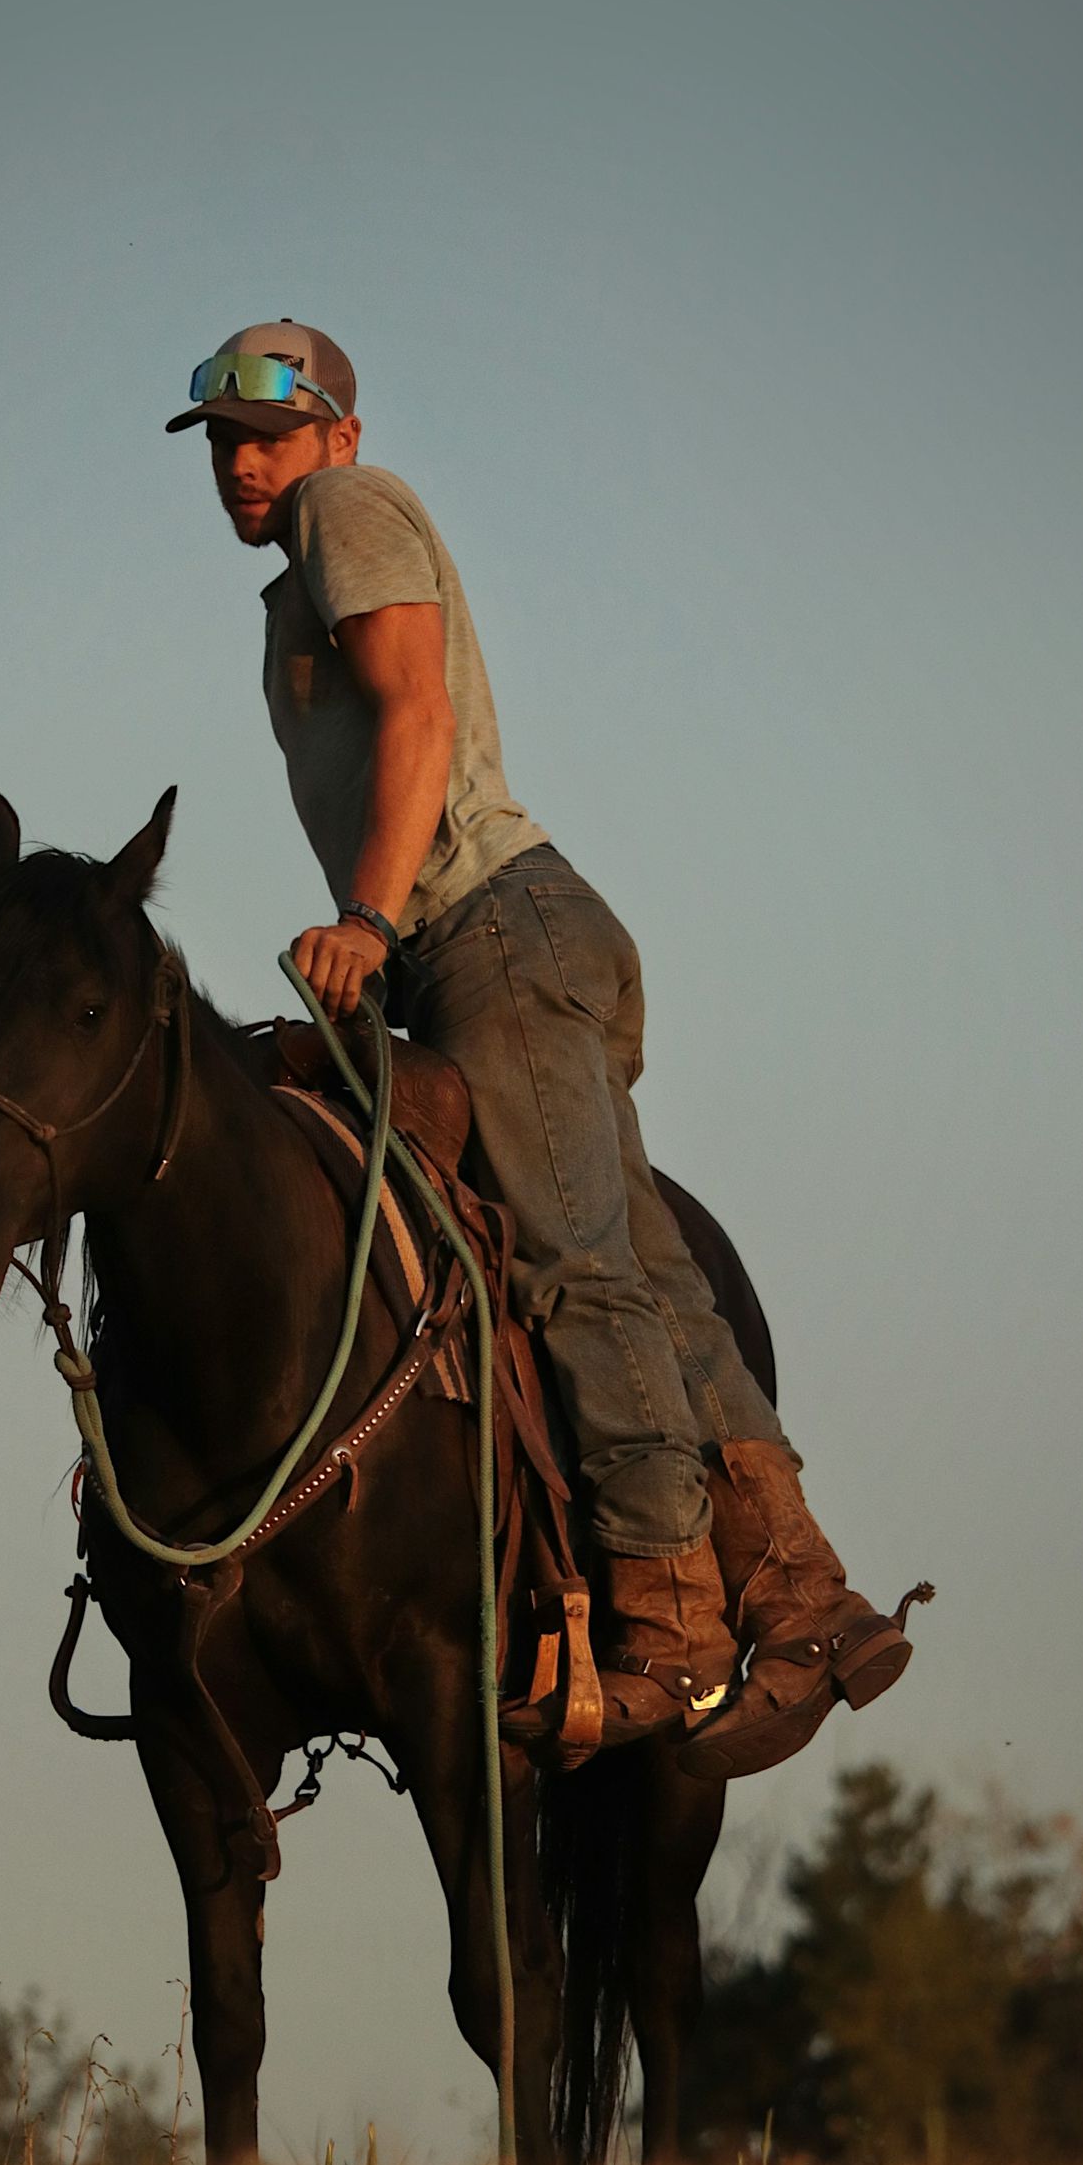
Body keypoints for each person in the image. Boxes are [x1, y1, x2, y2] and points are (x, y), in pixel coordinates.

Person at [165, 320, 923, 1778]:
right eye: (221, 446)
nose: (244, 465)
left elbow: (418, 710)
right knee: (643, 1277)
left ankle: (670, 1632)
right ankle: (802, 1589)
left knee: (577, 1277)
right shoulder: (305, 558)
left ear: (340, 437)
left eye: (271, 433)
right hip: (516, 938)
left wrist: (370, 921)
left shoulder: (348, 513)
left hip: (482, 936)